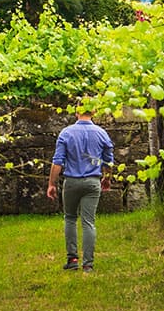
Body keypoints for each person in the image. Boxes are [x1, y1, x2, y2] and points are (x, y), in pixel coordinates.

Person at [47, 106, 114, 271]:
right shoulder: (102, 133)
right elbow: (108, 161)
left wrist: (51, 184)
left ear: (77, 112)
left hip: (71, 182)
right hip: (92, 182)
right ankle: (88, 264)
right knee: (88, 222)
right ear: (94, 113)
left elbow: (58, 161)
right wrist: (107, 178)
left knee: (70, 218)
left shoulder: (66, 133)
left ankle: (72, 259)